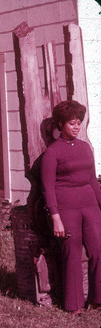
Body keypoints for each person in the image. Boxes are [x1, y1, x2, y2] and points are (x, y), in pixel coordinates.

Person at [41, 100, 101, 314]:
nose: (76, 127)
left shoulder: (85, 148)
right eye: (72, 123)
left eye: (79, 123)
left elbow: (93, 181)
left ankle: (97, 299)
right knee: (72, 253)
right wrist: (55, 217)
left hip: (90, 205)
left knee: (98, 250)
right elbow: (48, 188)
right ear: (60, 124)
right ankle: (73, 305)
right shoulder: (52, 152)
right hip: (66, 208)